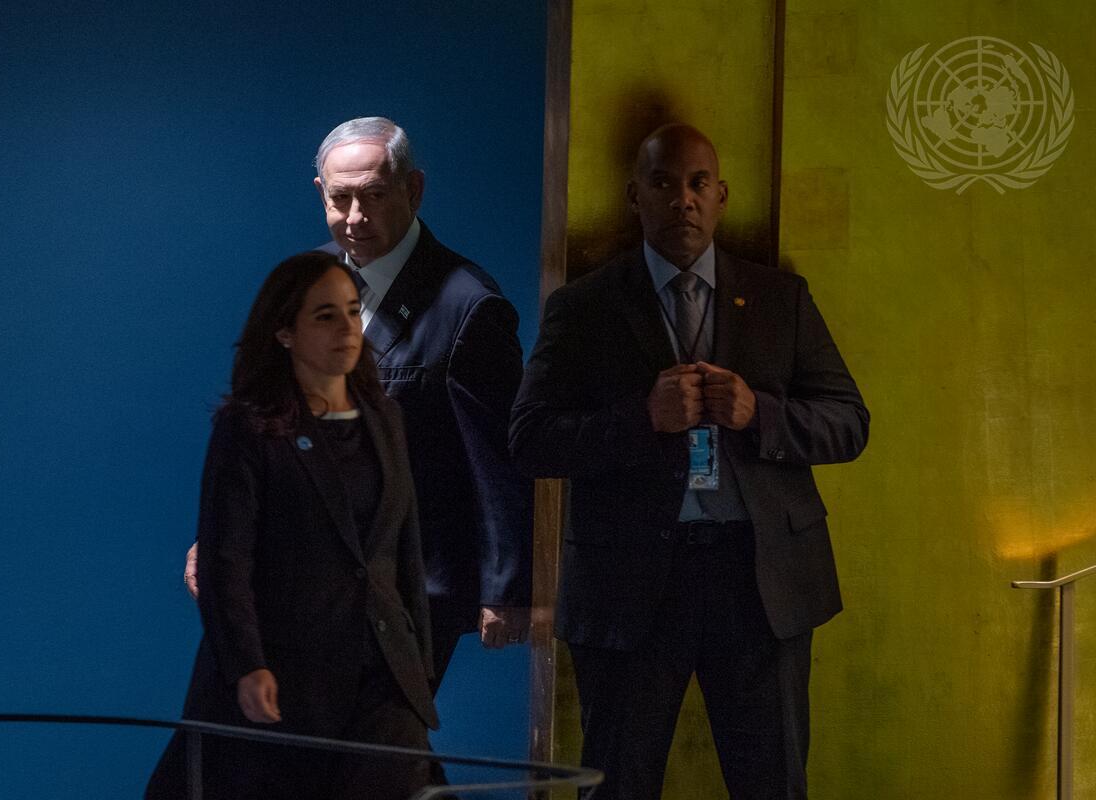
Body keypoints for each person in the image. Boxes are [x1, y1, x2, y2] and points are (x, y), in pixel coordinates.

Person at [508, 123, 870, 799]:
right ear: (635, 196)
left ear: (721, 196)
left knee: (772, 785)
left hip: (760, 582)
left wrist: (760, 414)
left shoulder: (780, 299)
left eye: (698, 183)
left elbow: (850, 423)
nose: (684, 200)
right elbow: (529, 440)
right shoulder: (583, 308)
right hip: (631, 584)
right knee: (616, 785)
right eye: (664, 183)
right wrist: (639, 419)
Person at [185, 117, 534, 689]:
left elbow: (499, 461)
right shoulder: (304, 283)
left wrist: (508, 587)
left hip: (408, 583)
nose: (355, 217)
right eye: (340, 198)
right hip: (300, 571)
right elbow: (267, 425)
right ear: (320, 192)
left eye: (373, 196)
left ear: (413, 190)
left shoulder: (468, 306)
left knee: (382, 733)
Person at [147, 252, 437, 799]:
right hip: (287, 678)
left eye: (351, 312)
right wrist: (247, 666)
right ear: (284, 332)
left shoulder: (386, 418)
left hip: (381, 679)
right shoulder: (248, 428)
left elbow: (404, 548)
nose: (346, 328)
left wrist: (417, 665)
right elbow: (225, 562)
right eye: (325, 316)